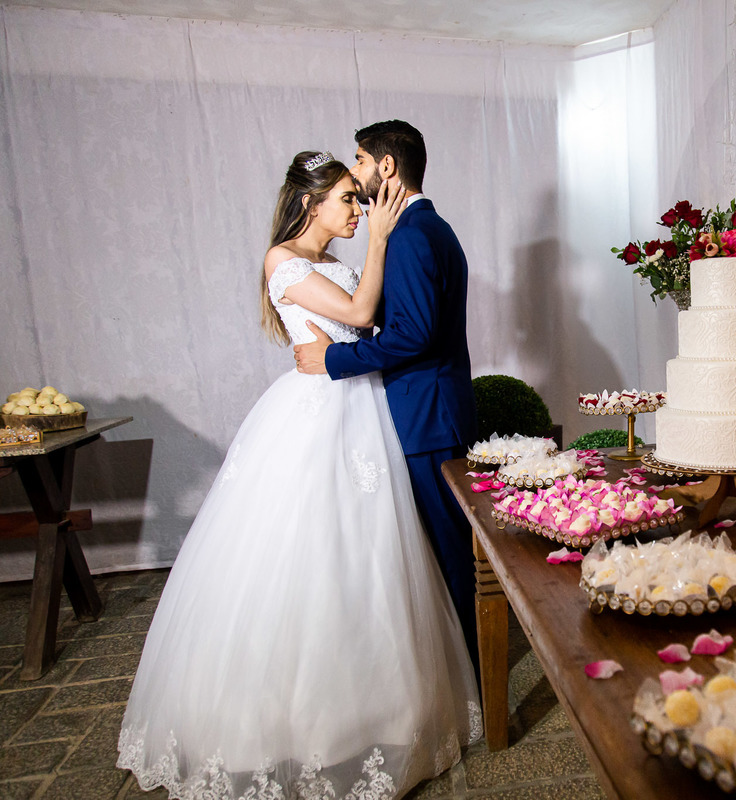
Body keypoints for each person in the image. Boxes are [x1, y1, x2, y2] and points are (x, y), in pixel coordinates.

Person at [117, 151, 481, 800]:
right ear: (310, 204)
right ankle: (287, 724)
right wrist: (379, 241)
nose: (358, 209)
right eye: (346, 198)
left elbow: (375, 320)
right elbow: (361, 315)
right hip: (316, 414)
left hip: (363, 407)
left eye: (358, 198)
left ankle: (383, 707)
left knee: (371, 555)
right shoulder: (281, 260)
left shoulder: (337, 259)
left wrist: (380, 263)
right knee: (308, 552)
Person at [293, 121, 479, 666]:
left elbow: (413, 335)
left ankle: (474, 671)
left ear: (387, 166)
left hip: (428, 416)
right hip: (431, 409)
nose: (355, 173)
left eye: (359, 160)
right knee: (441, 547)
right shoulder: (427, 227)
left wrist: (334, 359)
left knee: (451, 551)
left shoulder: (413, 235)